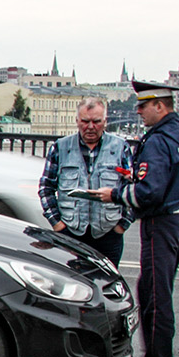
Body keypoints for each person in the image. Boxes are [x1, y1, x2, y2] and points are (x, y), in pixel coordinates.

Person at [87, 80, 179, 357]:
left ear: (160, 106)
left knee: (154, 293)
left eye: (143, 106)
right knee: (159, 289)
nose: (138, 111)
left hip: (161, 222)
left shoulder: (157, 140)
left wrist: (116, 194)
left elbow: (149, 192)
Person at [37, 97, 133, 266]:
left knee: (107, 286)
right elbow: (46, 187)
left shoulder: (120, 147)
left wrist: (122, 225)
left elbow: (133, 189)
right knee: (71, 284)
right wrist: (57, 224)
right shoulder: (60, 147)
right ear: (77, 121)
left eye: (96, 121)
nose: (90, 127)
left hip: (108, 233)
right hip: (70, 232)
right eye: (85, 121)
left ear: (105, 121)